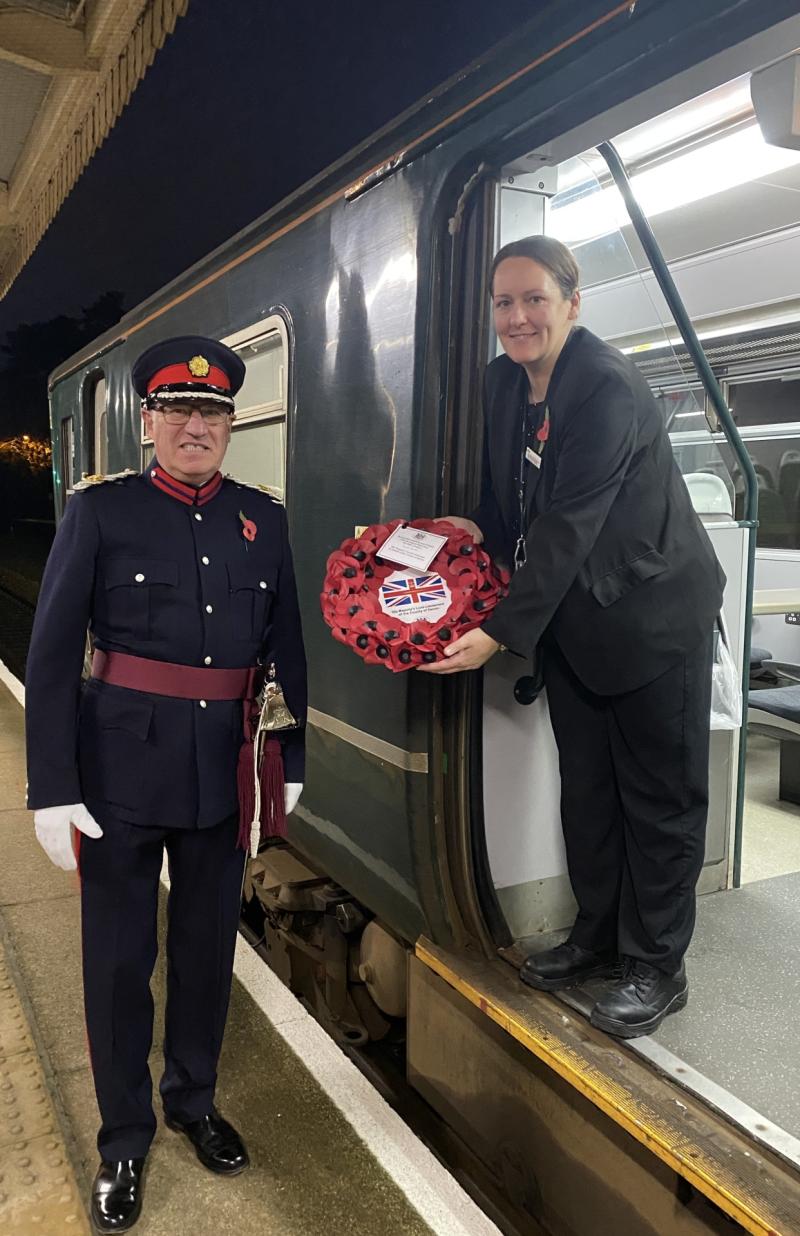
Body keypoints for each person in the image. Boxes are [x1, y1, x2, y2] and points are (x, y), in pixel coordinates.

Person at [25, 335, 307, 1232]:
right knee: (117, 965)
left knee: (205, 954)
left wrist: (288, 764)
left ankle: (193, 1101)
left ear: (229, 425)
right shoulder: (100, 514)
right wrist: (51, 784)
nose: (197, 425)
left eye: (213, 412)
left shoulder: (264, 519)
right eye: (179, 411)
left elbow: (287, 652)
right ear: (148, 421)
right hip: (116, 774)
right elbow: (53, 651)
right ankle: (123, 1138)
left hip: (221, 772)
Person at [422, 236, 725, 1039]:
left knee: (659, 802)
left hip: (654, 621)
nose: (517, 317)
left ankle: (658, 967)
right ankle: (596, 940)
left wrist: (496, 632)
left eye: (534, 299)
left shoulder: (606, 388)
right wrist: (473, 529)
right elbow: (514, 500)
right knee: (588, 793)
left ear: (572, 303)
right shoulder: (502, 384)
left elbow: (567, 526)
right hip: (576, 625)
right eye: (504, 302)